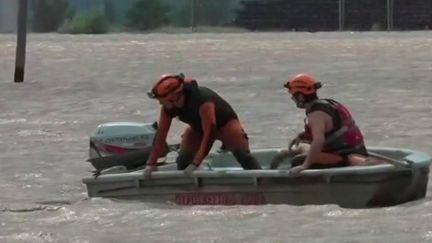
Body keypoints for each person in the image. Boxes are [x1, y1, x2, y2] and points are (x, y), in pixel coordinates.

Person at [143, 73, 262, 178]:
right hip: (197, 129)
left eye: (161, 100)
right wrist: (151, 163)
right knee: (183, 159)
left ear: (174, 97)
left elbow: (210, 132)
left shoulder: (203, 101)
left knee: (243, 155)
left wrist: (196, 162)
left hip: (225, 125)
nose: (159, 103)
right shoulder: (167, 108)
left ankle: (262, 180)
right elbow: (161, 135)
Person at [271, 73, 368, 174]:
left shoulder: (316, 114)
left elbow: (319, 141)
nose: (292, 99)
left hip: (346, 157)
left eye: (293, 96)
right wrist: (302, 136)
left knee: (298, 161)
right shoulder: (327, 104)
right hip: (354, 151)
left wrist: (304, 166)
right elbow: (330, 130)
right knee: (300, 148)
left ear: (300, 97)